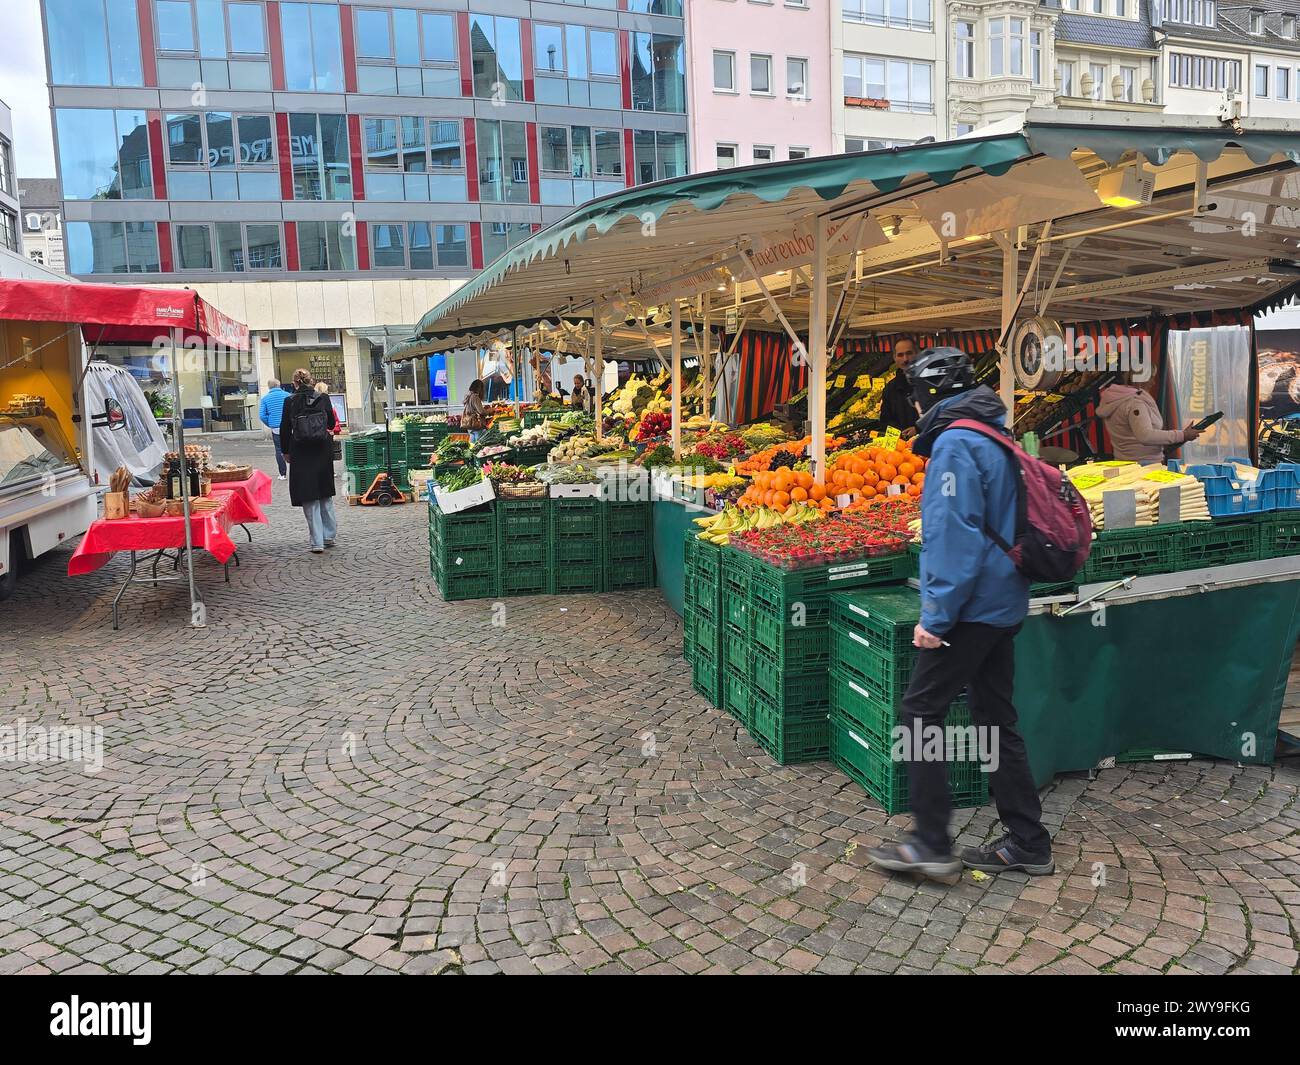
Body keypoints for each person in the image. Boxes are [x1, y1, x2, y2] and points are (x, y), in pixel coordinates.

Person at [866, 347, 1054, 880]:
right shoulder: (996, 435)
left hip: (970, 609)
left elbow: (953, 536)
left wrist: (937, 617)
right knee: (997, 718)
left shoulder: (954, 444)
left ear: (929, 396)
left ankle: (930, 841)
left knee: (921, 711)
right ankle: (1028, 841)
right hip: (1004, 602)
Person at [280, 368, 339, 554]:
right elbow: (330, 423)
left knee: (309, 496)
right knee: (325, 493)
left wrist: (286, 452)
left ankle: (317, 542)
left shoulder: (289, 401)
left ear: (294, 383)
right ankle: (329, 535)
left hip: (301, 452)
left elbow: (284, 428)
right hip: (322, 450)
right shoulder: (323, 398)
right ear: (311, 381)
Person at [1097, 374, 1202, 463]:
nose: (1153, 382)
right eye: (1151, 377)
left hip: (1126, 462)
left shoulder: (1116, 401)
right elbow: (1145, 435)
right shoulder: (1135, 404)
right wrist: (1183, 435)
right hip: (1143, 465)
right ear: (1142, 379)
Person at [878, 336, 919, 436]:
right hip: (901, 447)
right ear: (894, 358)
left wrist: (918, 429)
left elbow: (942, 416)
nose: (905, 359)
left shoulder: (931, 382)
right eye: (900, 355)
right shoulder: (890, 388)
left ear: (918, 354)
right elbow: (885, 421)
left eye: (909, 353)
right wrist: (900, 432)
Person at [258, 377, 290, 480]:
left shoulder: (265, 399)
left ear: (269, 387)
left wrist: (270, 423)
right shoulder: (288, 396)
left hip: (276, 428)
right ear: (279, 385)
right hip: (289, 427)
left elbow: (262, 415)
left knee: (279, 450)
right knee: (293, 448)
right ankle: (296, 471)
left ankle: (282, 474)